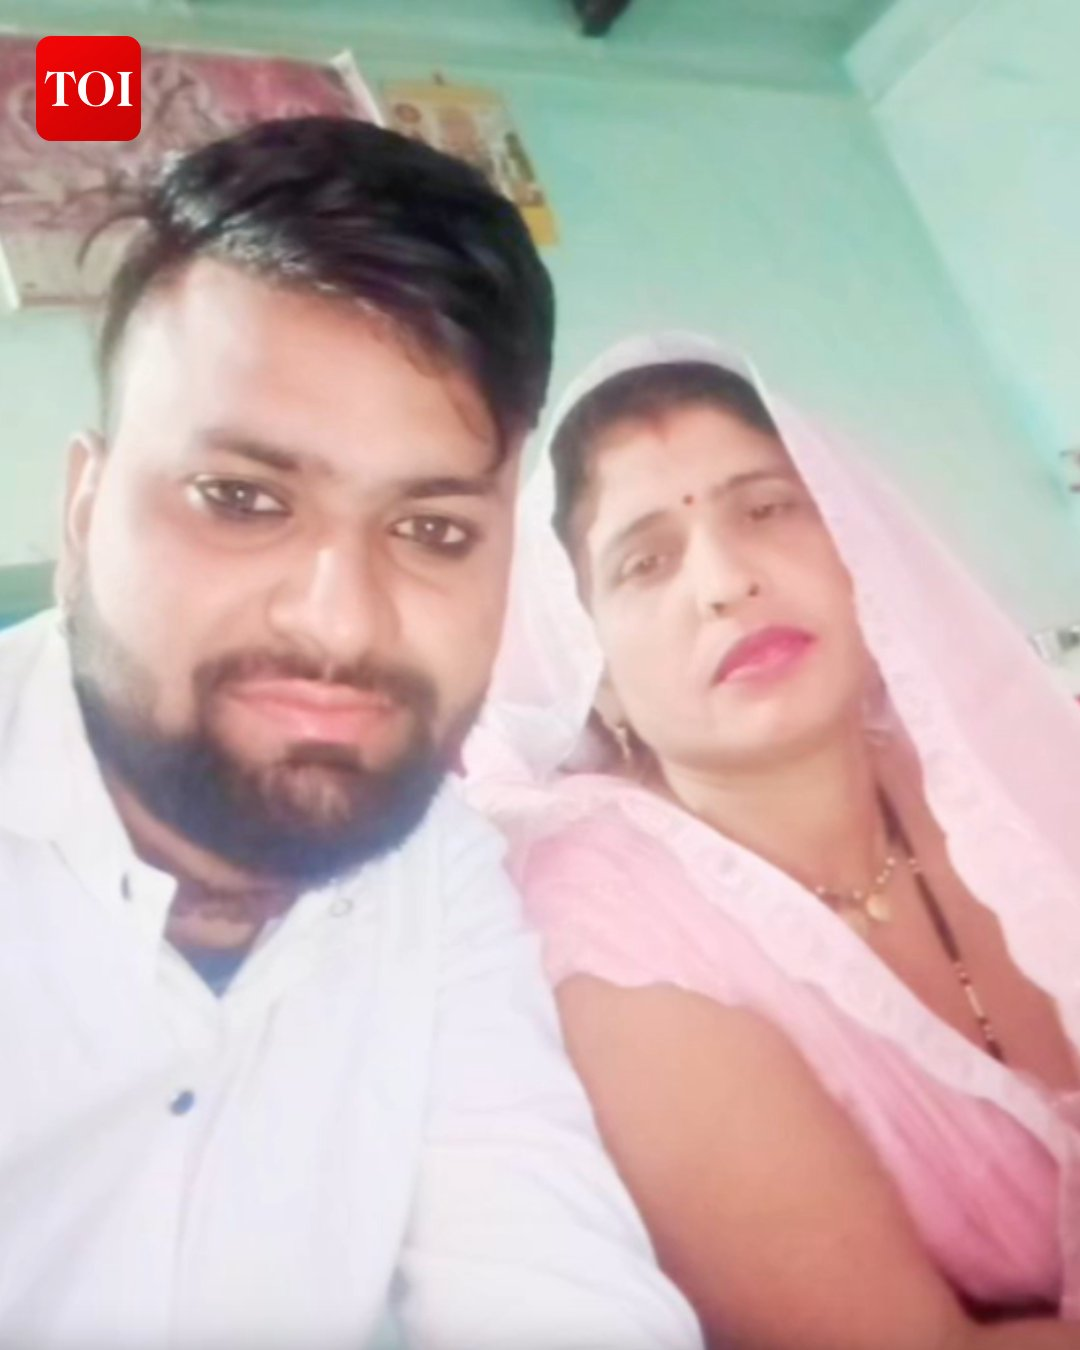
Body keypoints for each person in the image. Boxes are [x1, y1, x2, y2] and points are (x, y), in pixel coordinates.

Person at [0, 123, 701, 1350]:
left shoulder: (435, 865)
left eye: (432, 531)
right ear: (84, 510)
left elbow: (549, 1272)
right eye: (241, 500)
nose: (340, 619)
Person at [466, 332, 1080, 1349]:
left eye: (766, 509)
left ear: (855, 556)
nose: (724, 580)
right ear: (595, 676)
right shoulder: (611, 927)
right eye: (645, 561)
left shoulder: (979, 768)